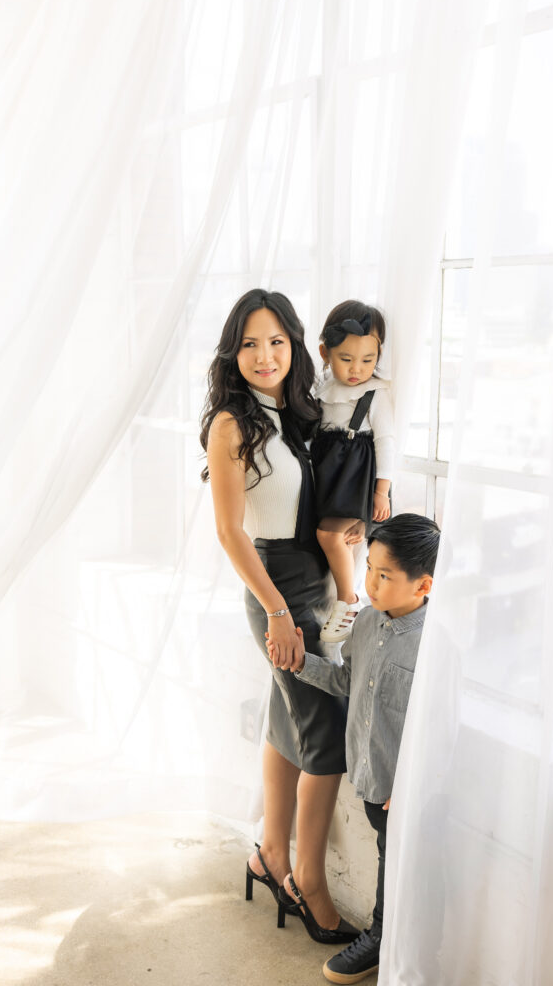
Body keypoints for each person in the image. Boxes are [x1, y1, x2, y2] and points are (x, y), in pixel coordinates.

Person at [200, 288, 358, 945]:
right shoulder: (230, 424)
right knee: (323, 733)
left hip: (311, 579)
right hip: (275, 585)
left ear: (293, 345)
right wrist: (276, 613)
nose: (263, 356)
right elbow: (231, 533)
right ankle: (306, 880)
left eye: (275, 341)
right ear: (231, 353)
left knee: (286, 712)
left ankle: (268, 852)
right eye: (248, 343)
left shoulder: (293, 416)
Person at [281, 513, 440, 983]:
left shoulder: (435, 645)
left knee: (411, 872)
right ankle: (391, 941)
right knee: (389, 860)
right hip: (372, 780)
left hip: (408, 792)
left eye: (384, 575)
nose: (369, 582)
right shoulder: (367, 623)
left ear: (423, 584)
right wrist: (300, 663)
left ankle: (389, 942)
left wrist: (411, 785)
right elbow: (348, 681)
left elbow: (439, 729)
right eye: (369, 566)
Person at [311, 300, 394, 643]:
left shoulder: (374, 393)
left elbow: (386, 442)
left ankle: (348, 601)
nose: (357, 369)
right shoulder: (320, 389)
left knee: (330, 537)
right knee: (332, 541)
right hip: (325, 475)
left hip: (352, 477)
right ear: (325, 353)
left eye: (368, 360)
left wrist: (381, 491)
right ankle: (337, 600)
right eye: (346, 359)